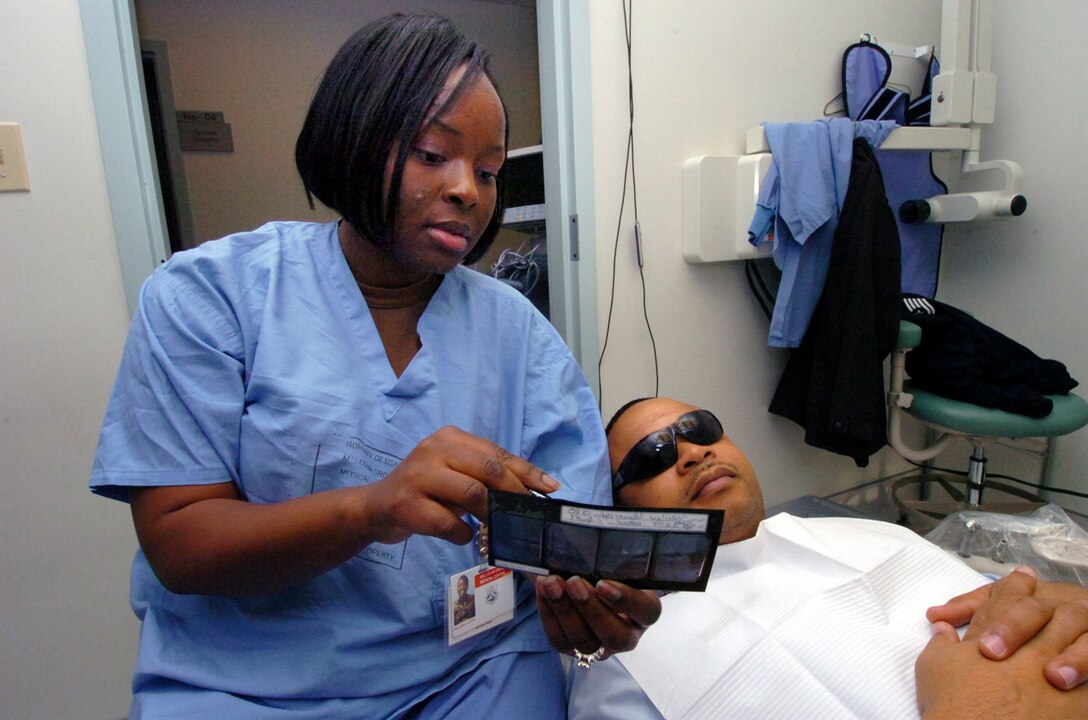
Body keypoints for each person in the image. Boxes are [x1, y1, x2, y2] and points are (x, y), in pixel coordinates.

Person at [89, 14, 658, 719]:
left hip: (476, 669)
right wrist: (371, 507)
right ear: (353, 139)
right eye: (431, 154)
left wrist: (594, 603)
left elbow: (570, 538)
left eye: (487, 171)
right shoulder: (209, 298)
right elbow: (179, 542)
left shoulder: (519, 335)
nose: (468, 192)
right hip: (246, 684)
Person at [568, 396, 1088, 719]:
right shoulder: (629, 666)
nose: (694, 453)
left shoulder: (869, 535)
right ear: (622, 512)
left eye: (701, 429)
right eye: (654, 455)